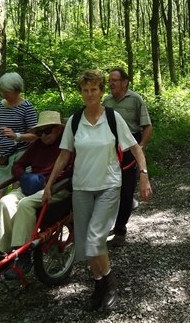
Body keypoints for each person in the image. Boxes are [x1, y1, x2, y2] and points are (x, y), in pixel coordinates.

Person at [42, 70, 152, 313]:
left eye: (94, 89)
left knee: (94, 240)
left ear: (102, 92)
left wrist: (143, 176)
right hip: (81, 188)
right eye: (85, 90)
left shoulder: (113, 118)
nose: (90, 94)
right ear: (81, 93)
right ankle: (99, 286)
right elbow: (64, 155)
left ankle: (109, 285)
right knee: (84, 244)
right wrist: (48, 185)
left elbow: (135, 148)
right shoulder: (74, 120)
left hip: (109, 186)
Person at [0, 110, 71, 280]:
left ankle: (23, 255)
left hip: (56, 188)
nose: (43, 135)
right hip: (32, 186)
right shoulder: (37, 145)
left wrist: (47, 181)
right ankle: (2, 252)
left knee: (25, 204)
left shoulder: (67, 145)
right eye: (40, 132)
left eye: (47, 130)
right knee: (5, 202)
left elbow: (72, 171)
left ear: (58, 128)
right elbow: (18, 165)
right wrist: (24, 177)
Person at [103, 67, 152, 248]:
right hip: (109, 149)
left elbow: (147, 126)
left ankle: (120, 230)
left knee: (125, 189)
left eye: (114, 80)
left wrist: (140, 147)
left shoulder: (135, 99)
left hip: (130, 149)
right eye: (109, 81)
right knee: (109, 189)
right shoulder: (106, 102)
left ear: (125, 82)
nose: (111, 83)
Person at [0, 72, 38, 211]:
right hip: (2, 157)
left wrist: (17, 136)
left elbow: (35, 136)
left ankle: (12, 229)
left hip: (21, 156)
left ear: (17, 90)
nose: (3, 94)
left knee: (15, 199)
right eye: (1, 91)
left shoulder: (26, 107)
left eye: (7, 91)